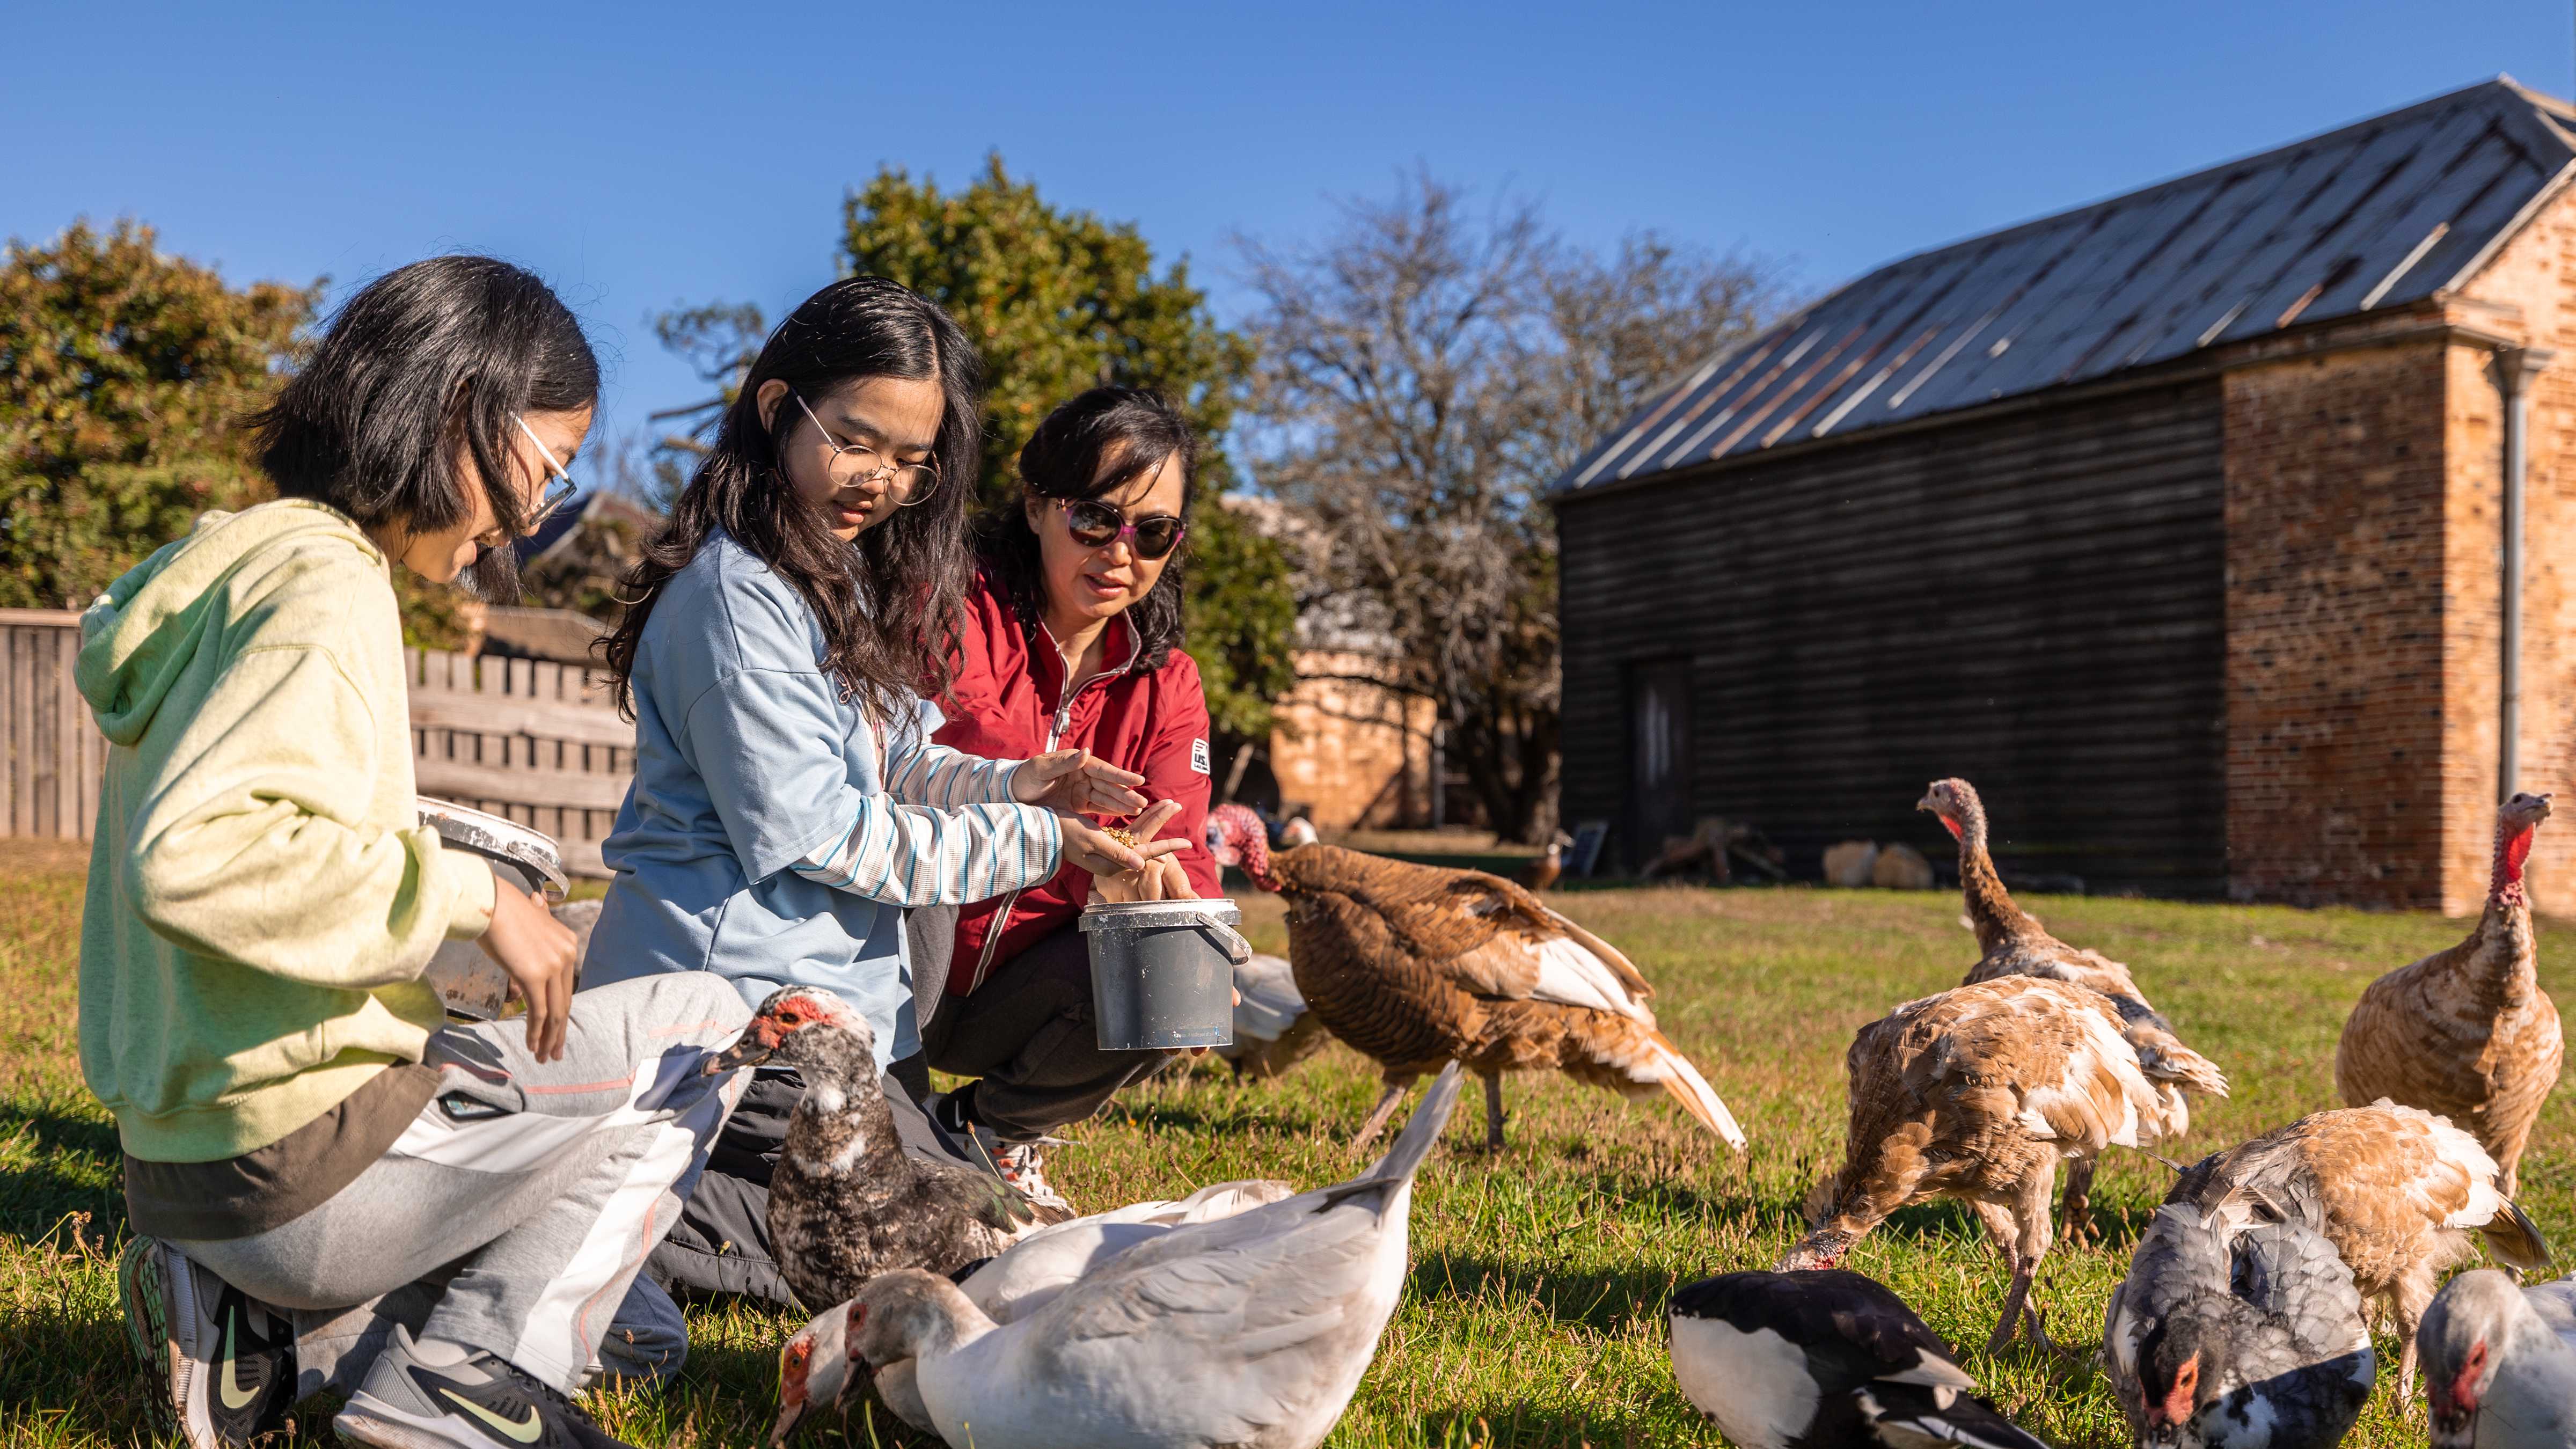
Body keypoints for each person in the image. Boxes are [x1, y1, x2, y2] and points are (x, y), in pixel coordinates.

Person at [82, 255, 751, 1449]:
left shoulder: (242, 565)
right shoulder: (327, 581)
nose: (534, 518)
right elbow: (198, 855)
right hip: (300, 1164)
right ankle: (468, 1388)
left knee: (643, 1331)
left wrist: (423, 860)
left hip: (193, 1165)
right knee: (707, 1025)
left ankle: (261, 1340)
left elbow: (244, 820)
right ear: (456, 414)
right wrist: (469, 891)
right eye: (542, 470)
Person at [582, 277, 1180, 1306]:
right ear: (778, 411)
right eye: (858, 442)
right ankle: (614, 1195)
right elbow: (829, 836)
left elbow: (899, 761)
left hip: (848, 1021)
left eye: (914, 460)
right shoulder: (739, 604)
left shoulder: (832, 572)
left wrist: (1029, 779)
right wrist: (1043, 841)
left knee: (966, 1227)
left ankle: (662, 1183)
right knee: (914, 1268)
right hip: (732, 1019)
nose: (885, 481)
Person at [914, 386, 1225, 1209]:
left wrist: (1170, 904)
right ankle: (900, 1120)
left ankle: (992, 1132)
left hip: (1026, 981)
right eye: (1096, 518)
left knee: (1183, 955)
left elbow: (1182, 845)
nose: (1123, 552)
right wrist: (1061, 828)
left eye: (1153, 531)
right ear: (1035, 507)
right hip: (901, 958)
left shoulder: (1170, 682)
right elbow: (911, 772)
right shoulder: (949, 606)